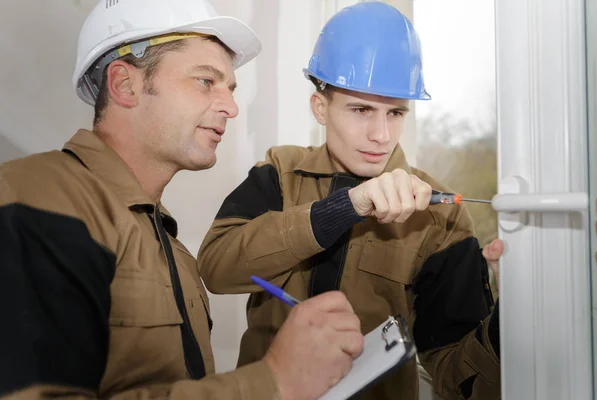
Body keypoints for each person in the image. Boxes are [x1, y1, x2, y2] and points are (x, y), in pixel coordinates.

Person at [0, 0, 365, 399]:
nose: (231, 106)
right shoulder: (40, 195)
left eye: (231, 88)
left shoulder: (175, 255)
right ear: (125, 85)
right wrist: (274, 381)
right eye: (206, 81)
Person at [198, 3, 503, 399]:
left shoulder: (440, 217)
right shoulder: (279, 172)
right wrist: (346, 207)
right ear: (320, 108)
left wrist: (510, 315)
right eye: (361, 110)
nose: (381, 134)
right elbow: (216, 269)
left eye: (395, 113)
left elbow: (460, 382)